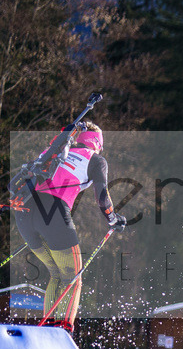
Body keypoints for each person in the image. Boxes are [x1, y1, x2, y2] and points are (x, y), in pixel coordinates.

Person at [13, 122, 126, 334]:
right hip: (53, 214)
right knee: (73, 277)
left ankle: (47, 333)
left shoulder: (54, 150)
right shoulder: (95, 159)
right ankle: (61, 336)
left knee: (56, 273)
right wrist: (112, 218)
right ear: (97, 143)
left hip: (24, 212)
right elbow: (102, 196)